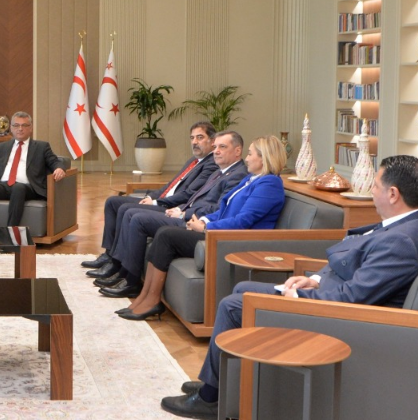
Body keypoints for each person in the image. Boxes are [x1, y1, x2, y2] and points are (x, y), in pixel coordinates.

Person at [162, 155, 418, 420]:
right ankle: (219, 382)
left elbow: (353, 298)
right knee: (243, 288)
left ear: (393, 194)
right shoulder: (414, 224)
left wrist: (299, 295)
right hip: (327, 296)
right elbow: (356, 267)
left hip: (333, 318)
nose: (371, 191)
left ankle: (211, 399)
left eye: (376, 185)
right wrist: (315, 279)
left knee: (234, 305)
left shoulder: (401, 241)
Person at [118, 134, 287, 321]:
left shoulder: (269, 184)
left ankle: (152, 299)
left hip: (232, 241)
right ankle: (145, 296)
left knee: (167, 235)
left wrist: (207, 228)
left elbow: (243, 221)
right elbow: (224, 211)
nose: (246, 159)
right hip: (219, 233)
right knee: (163, 233)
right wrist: (204, 220)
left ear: (264, 158)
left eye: (250, 154)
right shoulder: (252, 179)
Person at [97, 131, 249, 298]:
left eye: (222, 147)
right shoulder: (221, 170)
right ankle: (121, 270)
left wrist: (184, 213)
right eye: (216, 147)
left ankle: (131, 281)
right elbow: (189, 194)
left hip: (194, 221)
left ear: (237, 151)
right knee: (128, 211)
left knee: (137, 218)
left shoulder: (237, 175)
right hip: (183, 211)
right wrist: (178, 208)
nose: (216, 151)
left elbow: (218, 208)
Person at [85, 121, 218, 279]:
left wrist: (157, 203)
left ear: (212, 141)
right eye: (192, 138)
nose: (194, 142)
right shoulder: (193, 161)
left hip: (171, 207)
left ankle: (116, 263)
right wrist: (151, 196)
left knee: (126, 209)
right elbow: (171, 185)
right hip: (163, 200)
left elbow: (187, 194)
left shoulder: (211, 164)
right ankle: (109, 255)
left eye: (200, 137)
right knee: (113, 202)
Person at [0, 111, 67, 229]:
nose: (20, 129)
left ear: (31, 128)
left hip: (28, 187)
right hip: (3, 185)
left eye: (24, 125)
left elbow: (54, 161)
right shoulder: (3, 147)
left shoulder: (41, 147)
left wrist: (59, 168)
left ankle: (10, 232)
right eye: (16, 125)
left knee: (18, 188)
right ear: (11, 128)